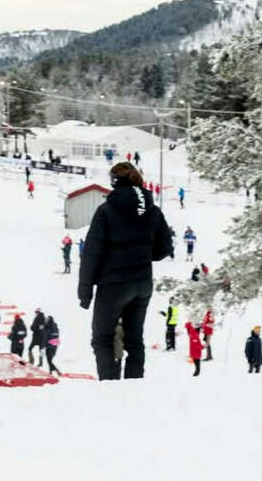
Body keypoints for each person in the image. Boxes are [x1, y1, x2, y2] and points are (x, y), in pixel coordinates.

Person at [78, 162, 173, 380]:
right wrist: (141, 255)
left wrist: (85, 291)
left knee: (102, 339)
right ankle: (133, 386)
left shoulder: (106, 211)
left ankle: (109, 387)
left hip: (114, 285)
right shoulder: (153, 210)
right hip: (142, 283)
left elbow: (92, 253)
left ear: (114, 182)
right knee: (134, 340)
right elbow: (165, 248)